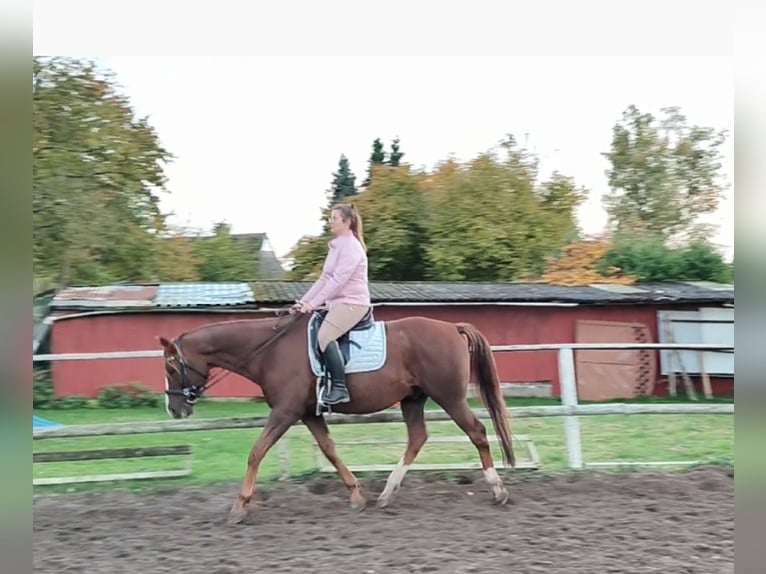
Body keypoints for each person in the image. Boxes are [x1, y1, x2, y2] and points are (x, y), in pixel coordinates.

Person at [291, 203, 371, 404]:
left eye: (334, 219)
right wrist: (304, 302)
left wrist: (313, 304)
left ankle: (339, 388)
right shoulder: (337, 246)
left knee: (325, 336)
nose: (330, 223)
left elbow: (338, 282)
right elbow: (324, 279)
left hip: (353, 303)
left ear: (347, 222)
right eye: (331, 219)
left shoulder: (352, 248)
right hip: (336, 304)